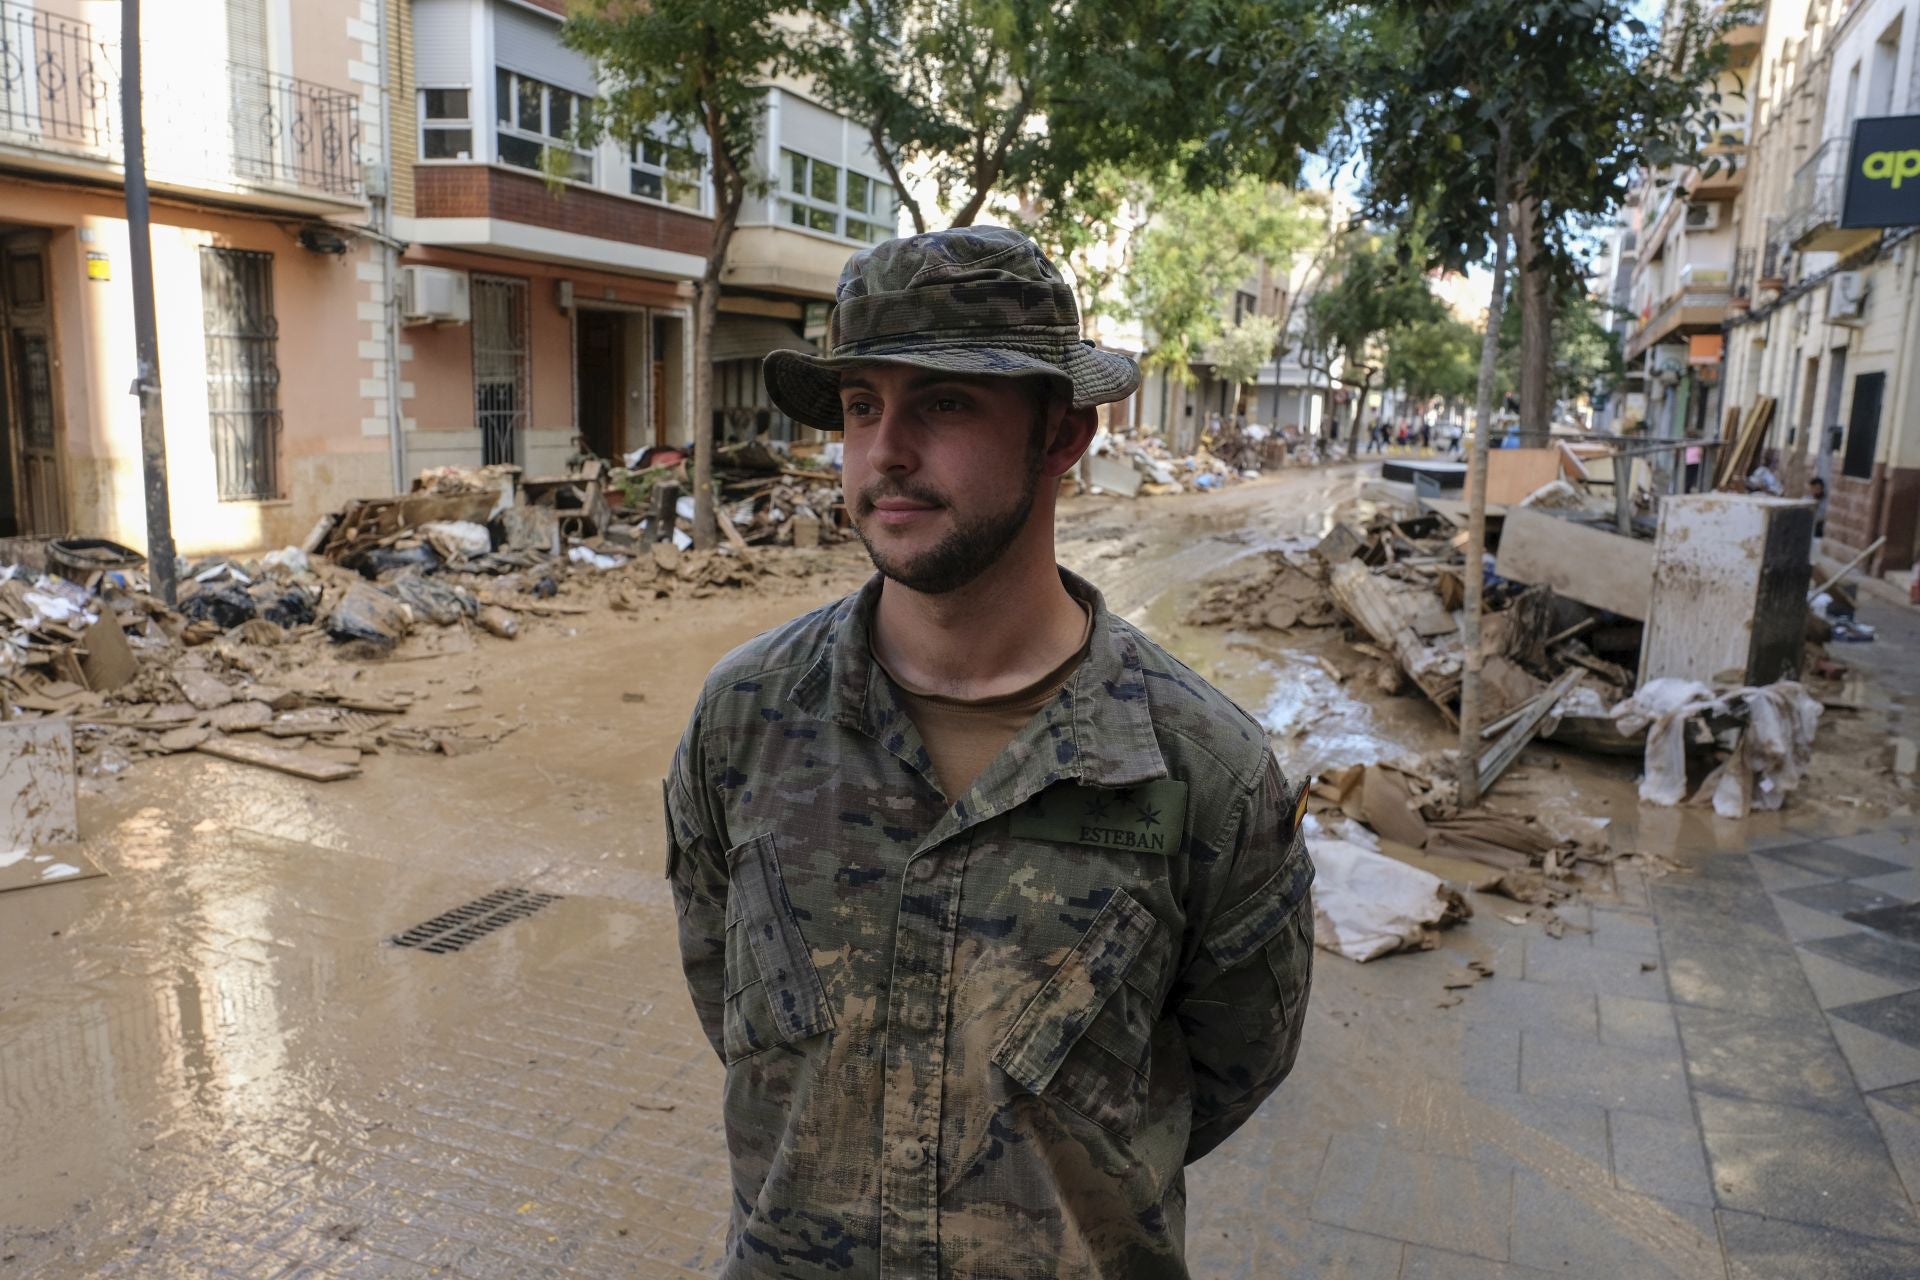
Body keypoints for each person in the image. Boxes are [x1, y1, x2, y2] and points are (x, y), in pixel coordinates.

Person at [664, 227, 1315, 1279]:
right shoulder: (745, 720)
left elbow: (1224, 1071)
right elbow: (730, 1005)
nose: (886, 451)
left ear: (1061, 436)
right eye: (861, 405)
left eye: (945, 402)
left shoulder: (1202, 772)